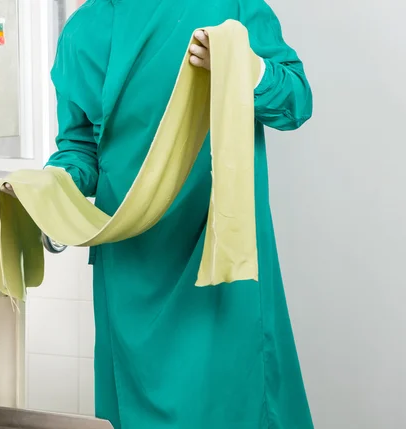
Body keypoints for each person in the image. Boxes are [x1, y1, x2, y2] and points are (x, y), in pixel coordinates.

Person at [35, 0, 314, 427]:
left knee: (234, 403)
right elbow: (80, 146)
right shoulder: (85, 30)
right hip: (133, 260)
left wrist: (248, 69)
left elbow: (296, 102)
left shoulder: (232, 7)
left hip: (219, 252)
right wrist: (55, 185)